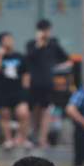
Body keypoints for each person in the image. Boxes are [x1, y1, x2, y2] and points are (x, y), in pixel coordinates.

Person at [22, 19, 70, 148]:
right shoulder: (31, 44)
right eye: (43, 30)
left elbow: (67, 59)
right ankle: (33, 136)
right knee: (33, 110)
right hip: (34, 83)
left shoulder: (54, 45)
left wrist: (55, 68)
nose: (45, 33)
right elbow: (28, 58)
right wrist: (39, 44)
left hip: (48, 83)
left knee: (46, 110)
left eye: (47, 30)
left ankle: (43, 139)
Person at [0, 31, 30, 149]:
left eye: (10, 39)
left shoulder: (19, 56)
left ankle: (22, 138)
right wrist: (0, 55)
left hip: (17, 90)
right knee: (5, 115)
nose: (9, 41)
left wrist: (26, 90)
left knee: (23, 114)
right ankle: (8, 140)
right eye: (6, 39)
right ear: (1, 42)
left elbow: (26, 74)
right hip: (2, 90)